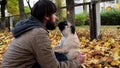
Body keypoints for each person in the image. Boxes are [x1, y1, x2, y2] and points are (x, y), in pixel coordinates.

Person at [2, 0, 85, 68]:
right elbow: (53, 66)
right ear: (46, 16)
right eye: (54, 14)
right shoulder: (38, 33)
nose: (56, 17)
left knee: (57, 55)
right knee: (63, 59)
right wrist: (77, 61)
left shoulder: (30, 28)